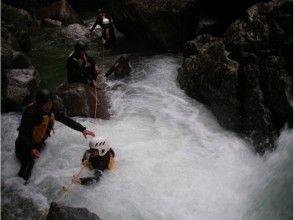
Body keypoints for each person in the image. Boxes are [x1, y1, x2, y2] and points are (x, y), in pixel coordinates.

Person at [15, 89, 96, 183]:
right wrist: (31, 148)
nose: (48, 106)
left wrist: (82, 129)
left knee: (43, 153)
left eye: (50, 103)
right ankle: (21, 187)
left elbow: (65, 120)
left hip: (37, 143)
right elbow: (22, 134)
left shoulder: (51, 110)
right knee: (27, 167)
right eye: (45, 104)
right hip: (24, 146)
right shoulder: (30, 114)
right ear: (39, 104)